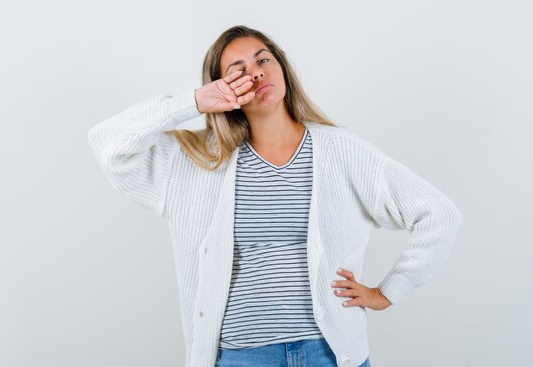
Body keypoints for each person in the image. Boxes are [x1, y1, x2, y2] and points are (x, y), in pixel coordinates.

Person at [87, 25, 462, 367]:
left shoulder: (341, 152)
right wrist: (194, 102)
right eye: (237, 69)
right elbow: (107, 143)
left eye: (263, 59)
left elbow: (439, 215)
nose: (256, 72)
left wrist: (387, 292)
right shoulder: (196, 162)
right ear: (221, 87)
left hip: (328, 353)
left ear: (282, 68)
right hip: (240, 357)